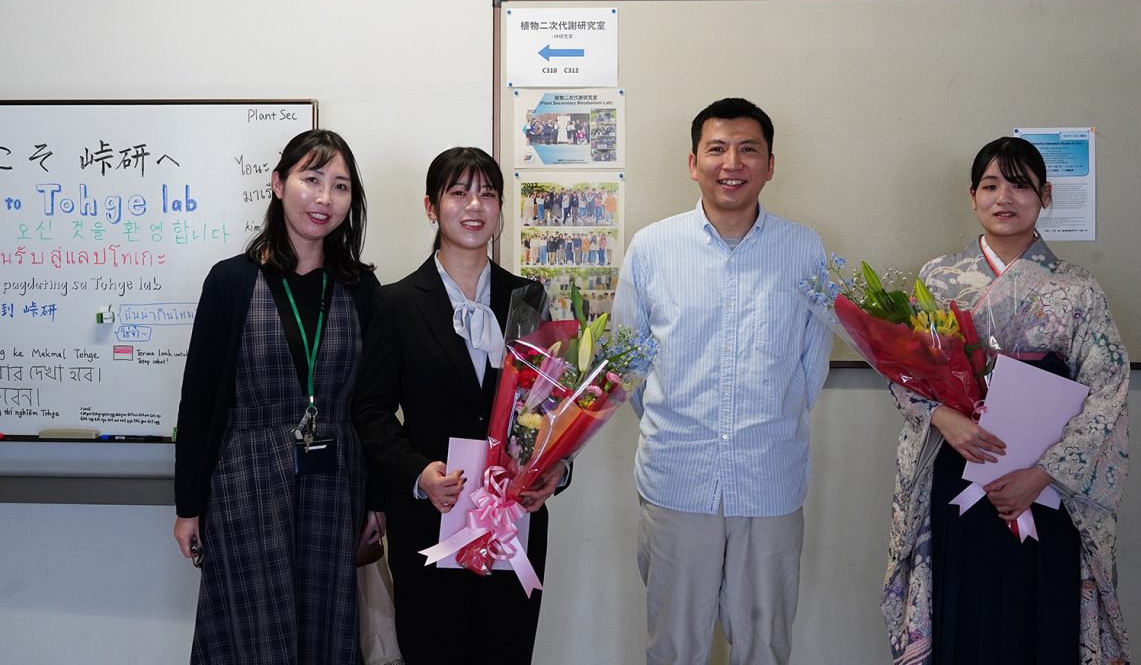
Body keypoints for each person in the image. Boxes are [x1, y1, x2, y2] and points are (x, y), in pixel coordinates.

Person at [882, 136, 1130, 665]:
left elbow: (1107, 391)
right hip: (958, 462)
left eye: (1019, 185)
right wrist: (943, 417)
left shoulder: (1078, 289)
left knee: (1041, 607)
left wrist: (1043, 473)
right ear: (972, 195)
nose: (1004, 198)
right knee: (961, 602)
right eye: (991, 185)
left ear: (1045, 195)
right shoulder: (939, 278)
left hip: (1047, 482)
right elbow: (906, 374)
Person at [613, 97, 833, 665]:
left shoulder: (804, 248)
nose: (732, 163)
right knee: (674, 647)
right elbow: (630, 366)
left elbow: (812, 363)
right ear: (693, 163)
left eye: (747, 150)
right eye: (717, 149)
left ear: (770, 164)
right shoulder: (652, 247)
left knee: (765, 646)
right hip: (677, 478)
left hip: (769, 478)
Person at [173, 129, 382, 665]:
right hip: (245, 483)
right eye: (311, 179)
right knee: (252, 635)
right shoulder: (231, 282)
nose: (324, 198)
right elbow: (198, 401)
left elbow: (374, 406)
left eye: (340, 186)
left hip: (337, 486)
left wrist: (377, 500)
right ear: (278, 183)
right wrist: (188, 507)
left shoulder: (361, 288)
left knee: (327, 631)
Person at [354, 147, 567, 665]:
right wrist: (417, 473)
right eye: (458, 192)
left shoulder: (528, 298)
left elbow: (552, 408)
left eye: (487, 193)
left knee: (506, 651)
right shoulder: (396, 302)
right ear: (431, 207)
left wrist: (555, 470)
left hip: (512, 521)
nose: (475, 205)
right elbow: (371, 410)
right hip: (432, 517)